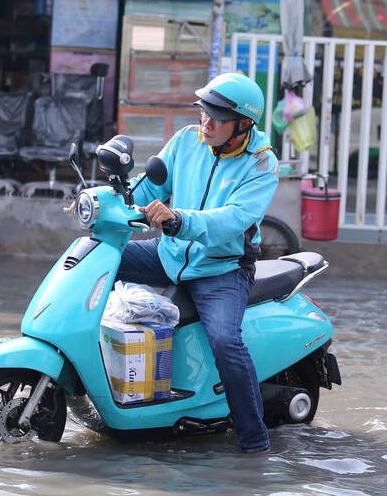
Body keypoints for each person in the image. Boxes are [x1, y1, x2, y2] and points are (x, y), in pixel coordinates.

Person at [117, 72, 279, 453]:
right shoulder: (187, 140)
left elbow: (234, 220)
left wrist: (178, 220)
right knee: (94, 258)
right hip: (169, 253)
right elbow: (149, 187)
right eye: (205, 111)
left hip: (221, 270)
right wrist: (109, 200)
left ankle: (255, 442)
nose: (207, 122)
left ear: (243, 124)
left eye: (218, 117)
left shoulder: (261, 165)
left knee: (225, 341)